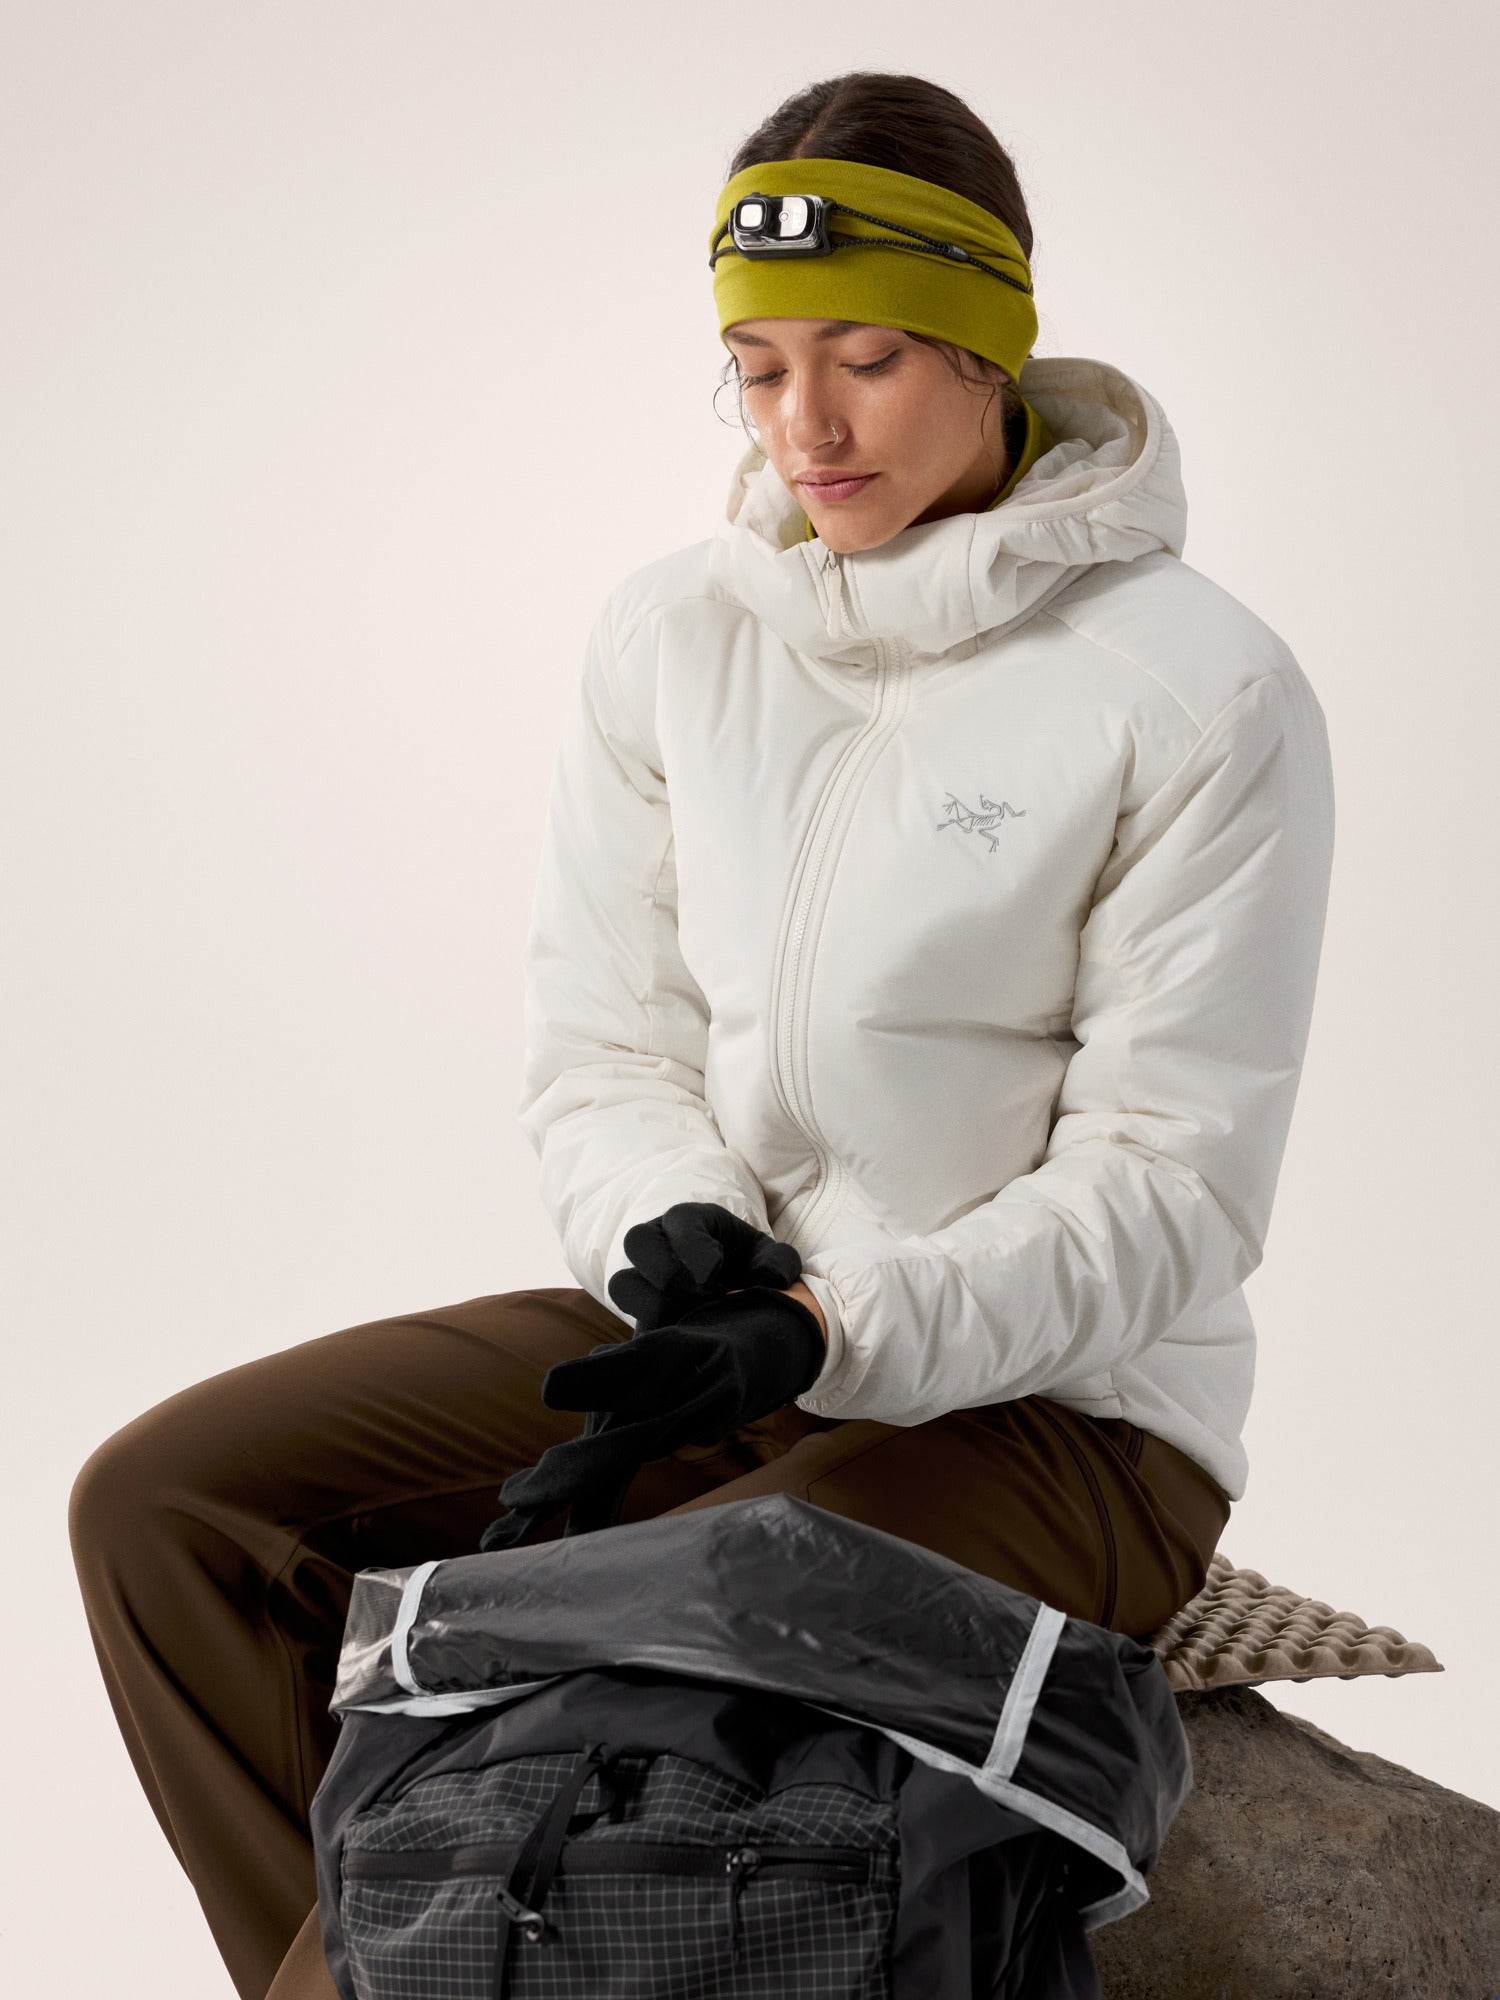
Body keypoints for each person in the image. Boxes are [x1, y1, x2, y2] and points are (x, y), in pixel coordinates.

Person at [68, 68, 1335, 2000]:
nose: (804, 425)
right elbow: (607, 1032)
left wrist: (831, 1329)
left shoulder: (1198, 690)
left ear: (991, 347)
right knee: (175, 1508)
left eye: (868, 360)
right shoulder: (674, 634)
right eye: (755, 370)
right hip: (721, 1348)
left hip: (1058, 1419)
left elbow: (1173, 1189)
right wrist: (672, 1232)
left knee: (604, 1648)